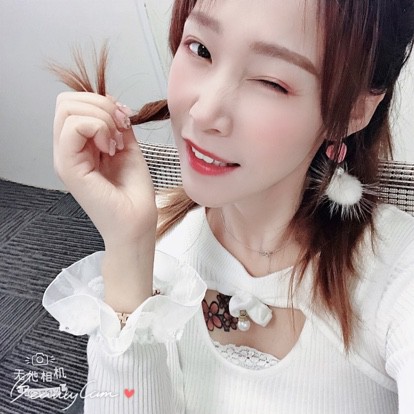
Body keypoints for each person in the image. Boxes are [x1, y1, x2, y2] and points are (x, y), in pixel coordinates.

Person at [44, 0, 414, 412]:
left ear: (354, 109)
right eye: (201, 49)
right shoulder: (156, 233)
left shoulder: (398, 274)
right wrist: (129, 251)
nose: (204, 113)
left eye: (271, 82)